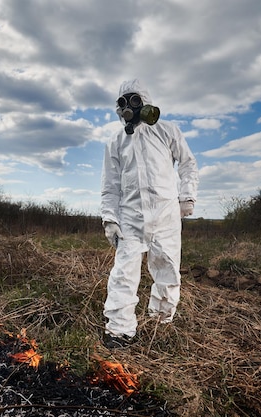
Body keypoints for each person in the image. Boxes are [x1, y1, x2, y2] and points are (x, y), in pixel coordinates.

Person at [100, 79, 199, 349]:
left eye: (134, 100)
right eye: (123, 102)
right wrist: (110, 219)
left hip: (166, 215)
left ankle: (160, 323)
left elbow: (188, 163)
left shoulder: (167, 131)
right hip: (131, 218)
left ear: (144, 100)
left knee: (167, 269)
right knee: (123, 274)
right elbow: (110, 186)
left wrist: (186, 196)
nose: (128, 107)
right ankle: (120, 331)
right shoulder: (117, 142)